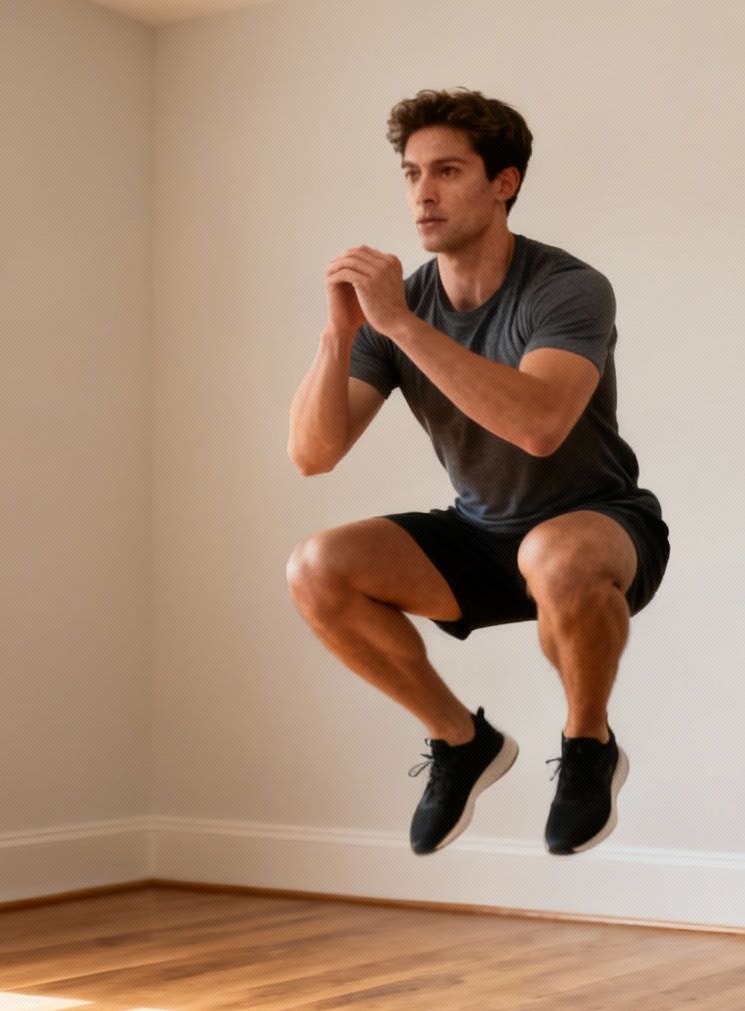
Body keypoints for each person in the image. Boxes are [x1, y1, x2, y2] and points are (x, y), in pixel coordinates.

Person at [285, 88, 669, 857]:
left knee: (552, 555)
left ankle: (589, 746)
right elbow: (313, 454)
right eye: (412, 173)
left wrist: (397, 324)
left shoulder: (566, 287)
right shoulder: (400, 307)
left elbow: (538, 424)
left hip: (599, 527)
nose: (423, 193)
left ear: (505, 182)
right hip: (482, 533)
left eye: (449, 171)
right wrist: (340, 334)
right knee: (316, 568)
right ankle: (461, 743)